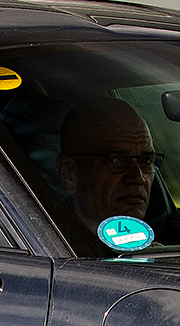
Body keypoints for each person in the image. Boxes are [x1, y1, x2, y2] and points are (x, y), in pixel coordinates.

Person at [54, 98, 160, 233]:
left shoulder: (156, 251)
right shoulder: (45, 246)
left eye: (146, 161)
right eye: (116, 161)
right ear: (69, 175)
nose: (138, 178)